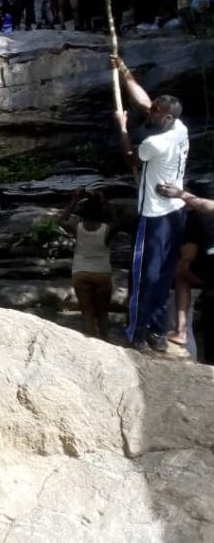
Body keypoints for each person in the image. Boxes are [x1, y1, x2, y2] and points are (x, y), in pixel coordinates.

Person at [112, 55, 189, 352]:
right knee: (164, 276)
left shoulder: (155, 143)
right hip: (176, 212)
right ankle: (158, 331)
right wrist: (124, 71)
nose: (150, 112)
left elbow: (131, 158)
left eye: (156, 112)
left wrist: (122, 127)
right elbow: (145, 102)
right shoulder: (178, 128)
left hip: (155, 215)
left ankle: (135, 333)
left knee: (143, 275)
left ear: (166, 118)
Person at [156, 182, 214, 362]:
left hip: (207, 267)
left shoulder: (194, 218)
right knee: (182, 278)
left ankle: (181, 330)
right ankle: (181, 331)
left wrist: (180, 194)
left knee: (181, 276)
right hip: (207, 269)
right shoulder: (195, 218)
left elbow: (204, 204)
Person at [58, 189, 116, 339]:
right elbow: (117, 222)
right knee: (102, 313)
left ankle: (92, 341)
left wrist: (74, 200)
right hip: (102, 274)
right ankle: (106, 341)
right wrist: (106, 202)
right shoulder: (107, 229)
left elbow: (62, 220)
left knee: (88, 313)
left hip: (80, 273)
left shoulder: (77, 227)